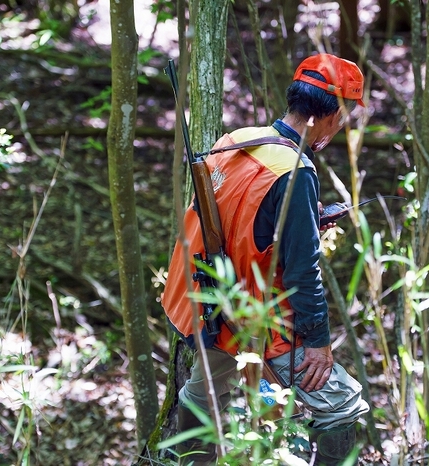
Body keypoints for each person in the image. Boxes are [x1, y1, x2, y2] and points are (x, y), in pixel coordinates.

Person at [161, 53, 370, 466]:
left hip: (210, 306)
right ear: (330, 113)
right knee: (344, 406)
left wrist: (306, 221)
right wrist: (318, 345)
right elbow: (303, 272)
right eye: (345, 115)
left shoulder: (237, 140)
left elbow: (231, 221)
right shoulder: (295, 172)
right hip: (258, 316)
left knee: (201, 396)